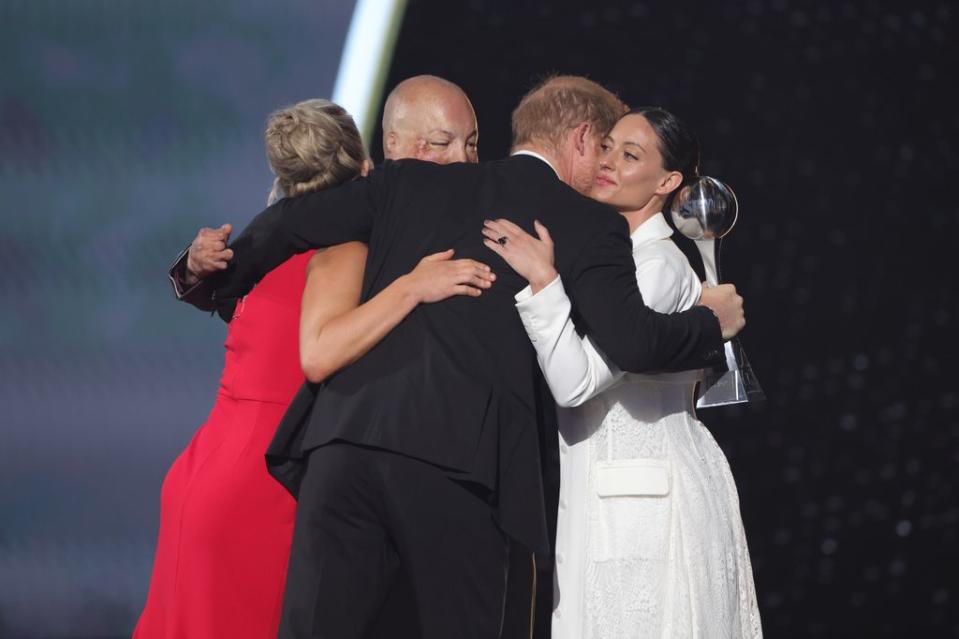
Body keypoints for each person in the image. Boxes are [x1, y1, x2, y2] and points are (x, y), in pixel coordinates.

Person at [178, 75, 745, 638]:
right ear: (578, 139)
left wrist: (200, 273)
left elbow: (290, 222)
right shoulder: (584, 221)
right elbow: (635, 342)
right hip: (460, 471)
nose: (604, 170)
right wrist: (710, 325)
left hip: (343, 450)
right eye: (604, 149)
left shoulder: (407, 183)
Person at [136, 89, 490, 638]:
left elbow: (218, 289)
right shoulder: (345, 252)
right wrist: (415, 286)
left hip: (203, 473)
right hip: (268, 482)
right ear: (372, 164)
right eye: (445, 144)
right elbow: (321, 354)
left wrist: (191, 268)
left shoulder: (265, 255)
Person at [486, 108, 763, 637]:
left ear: (668, 182)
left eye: (630, 155)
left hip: (643, 505)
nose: (609, 163)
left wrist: (543, 281)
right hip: (621, 493)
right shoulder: (621, 256)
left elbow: (576, 384)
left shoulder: (656, 266)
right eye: (608, 147)